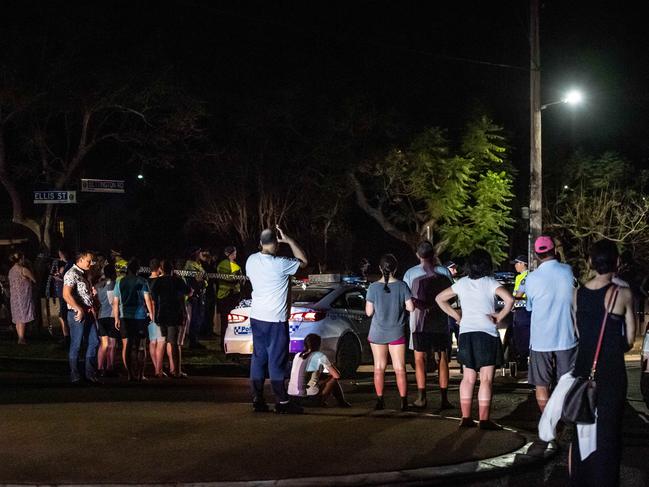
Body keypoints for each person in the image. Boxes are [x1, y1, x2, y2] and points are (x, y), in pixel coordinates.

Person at [570, 240, 636, 486]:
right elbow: (629, 339)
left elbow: (580, 334)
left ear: (590, 262)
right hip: (611, 372)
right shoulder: (623, 294)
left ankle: (580, 478)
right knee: (608, 433)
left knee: (582, 431)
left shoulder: (578, 294)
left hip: (583, 369)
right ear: (617, 263)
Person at [436, 249, 514, 429]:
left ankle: (465, 418)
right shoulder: (490, 282)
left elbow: (440, 298)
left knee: (468, 378)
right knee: (486, 379)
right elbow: (509, 299)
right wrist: (498, 316)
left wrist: (456, 315)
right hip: (486, 333)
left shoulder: (462, 283)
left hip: (466, 333)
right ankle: (484, 420)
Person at [246, 225, 308, 414]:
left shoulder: (251, 260)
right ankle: (282, 401)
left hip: (257, 316)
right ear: (275, 244)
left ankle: (257, 398)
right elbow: (303, 261)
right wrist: (289, 240)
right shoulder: (280, 263)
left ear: (260, 243)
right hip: (275, 319)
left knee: (258, 359)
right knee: (276, 360)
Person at [524, 236, 578, 413]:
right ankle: (566, 416)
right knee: (567, 381)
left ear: (536, 255)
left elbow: (530, 307)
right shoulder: (568, 271)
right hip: (566, 335)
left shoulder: (531, 278)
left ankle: (548, 421)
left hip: (541, 338)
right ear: (554, 250)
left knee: (541, 383)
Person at [403, 241, 453, 410]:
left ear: (418, 255)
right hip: (440, 322)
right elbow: (452, 296)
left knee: (419, 359)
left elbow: (407, 299)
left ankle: (421, 397)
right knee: (442, 358)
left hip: (419, 323)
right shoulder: (444, 272)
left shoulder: (410, 274)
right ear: (433, 254)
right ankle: (444, 398)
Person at [365, 254, 415, 412]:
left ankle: (380, 400)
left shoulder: (373, 287)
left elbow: (368, 312)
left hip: (377, 332)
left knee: (379, 367)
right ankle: (403, 401)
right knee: (400, 368)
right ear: (396, 268)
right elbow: (411, 308)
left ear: (380, 268)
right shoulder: (402, 286)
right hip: (397, 331)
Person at [112, 258, 154, 381]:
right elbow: (147, 299)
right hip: (140, 317)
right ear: (138, 269)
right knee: (141, 346)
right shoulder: (142, 281)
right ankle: (140, 374)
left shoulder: (120, 281)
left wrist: (116, 318)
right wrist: (151, 313)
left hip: (125, 316)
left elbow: (115, 302)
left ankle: (130, 374)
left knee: (128, 346)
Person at [62, 250, 100, 384]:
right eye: (89, 261)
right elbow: (66, 294)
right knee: (76, 343)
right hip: (77, 313)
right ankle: (75, 374)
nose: (91, 264)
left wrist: (92, 296)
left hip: (87, 312)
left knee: (94, 341)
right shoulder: (72, 273)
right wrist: (78, 308)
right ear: (81, 260)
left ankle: (89, 373)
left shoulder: (83, 274)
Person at [150, 258, 191, 378]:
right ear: (172, 269)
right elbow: (189, 292)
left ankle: (158, 370)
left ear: (161, 269)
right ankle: (176, 371)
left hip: (161, 314)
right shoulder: (177, 280)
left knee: (162, 342)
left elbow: (153, 297)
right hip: (174, 314)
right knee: (174, 343)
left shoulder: (158, 282)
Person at [288, 333, 351, 407]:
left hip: (293, 398)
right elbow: (337, 375)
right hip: (310, 399)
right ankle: (342, 402)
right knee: (333, 378)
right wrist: (332, 365)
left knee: (320, 379)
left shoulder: (297, 355)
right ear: (318, 345)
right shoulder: (319, 356)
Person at [216, 246, 242, 351]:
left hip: (233, 295)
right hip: (225, 296)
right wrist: (237, 278)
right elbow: (227, 278)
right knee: (225, 322)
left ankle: (230, 343)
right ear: (230, 254)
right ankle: (223, 344)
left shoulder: (235, 264)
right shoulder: (223, 264)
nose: (236, 255)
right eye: (234, 253)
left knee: (231, 322)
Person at [8, 251, 36, 344]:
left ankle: (20, 337)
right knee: (22, 316)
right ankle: (21, 338)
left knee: (17, 317)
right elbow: (34, 279)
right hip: (23, 296)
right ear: (20, 259)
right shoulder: (23, 270)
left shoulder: (11, 270)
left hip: (14, 297)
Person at [96, 264, 119, 377]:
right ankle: (110, 367)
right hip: (111, 316)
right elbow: (113, 302)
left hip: (101, 316)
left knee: (103, 344)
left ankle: (100, 367)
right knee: (112, 344)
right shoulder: (113, 284)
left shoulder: (99, 285)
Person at [184, 247, 208, 349]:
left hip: (200, 293)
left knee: (199, 318)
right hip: (195, 295)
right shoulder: (190, 264)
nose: (202, 254)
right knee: (195, 318)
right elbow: (193, 281)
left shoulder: (198, 264)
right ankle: (193, 342)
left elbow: (203, 279)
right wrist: (202, 282)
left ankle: (195, 341)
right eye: (200, 252)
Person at [147, 259, 166, 377]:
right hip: (158, 313)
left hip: (147, 314)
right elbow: (154, 300)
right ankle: (158, 370)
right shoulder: (160, 281)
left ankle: (156, 367)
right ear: (159, 268)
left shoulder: (145, 281)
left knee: (152, 341)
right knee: (161, 341)